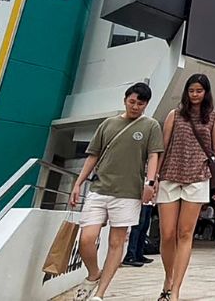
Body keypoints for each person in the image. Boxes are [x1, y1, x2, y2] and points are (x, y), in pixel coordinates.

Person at [68, 83, 163, 301]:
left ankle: (100, 294)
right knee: (86, 239)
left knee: (116, 243)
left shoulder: (151, 126)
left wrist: (150, 183)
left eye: (140, 103)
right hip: (99, 188)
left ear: (146, 105)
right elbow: (93, 155)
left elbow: (153, 156)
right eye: (132, 101)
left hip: (129, 193)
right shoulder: (108, 124)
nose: (135, 106)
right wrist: (78, 183)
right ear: (125, 99)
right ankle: (94, 274)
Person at [156, 74, 215, 301]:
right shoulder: (174, 114)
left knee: (185, 233)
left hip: (198, 176)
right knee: (167, 234)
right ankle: (168, 279)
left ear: (206, 93)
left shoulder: (213, 116)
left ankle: (175, 290)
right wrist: (154, 177)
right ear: (186, 92)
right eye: (191, 90)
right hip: (170, 175)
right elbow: (163, 146)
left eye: (199, 90)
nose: (195, 94)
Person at [122, 201, 156, 267]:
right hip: (141, 202)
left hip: (149, 203)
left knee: (144, 228)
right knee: (137, 227)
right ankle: (130, 255)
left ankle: (139, 255)